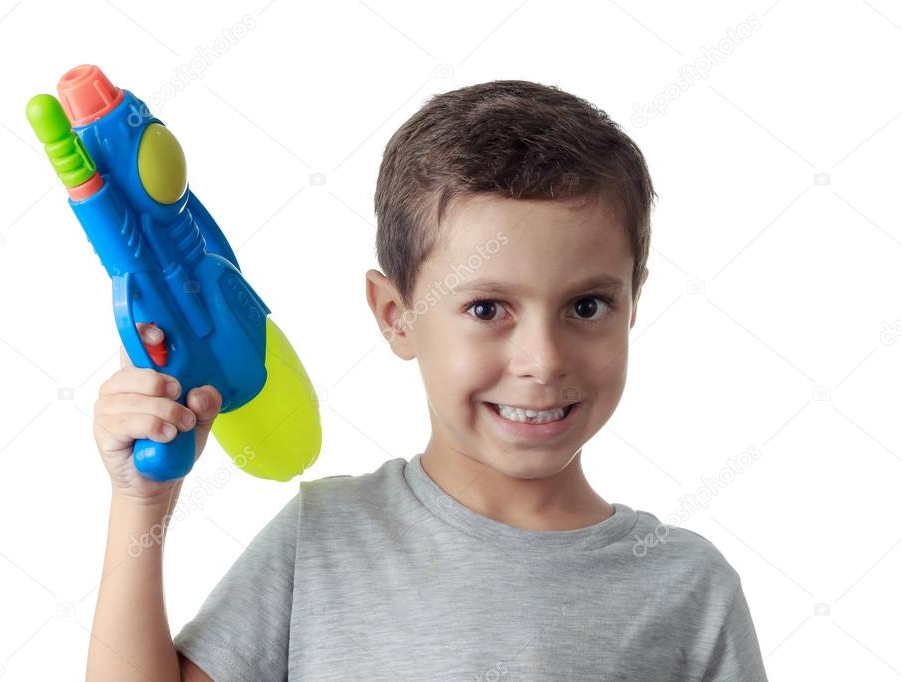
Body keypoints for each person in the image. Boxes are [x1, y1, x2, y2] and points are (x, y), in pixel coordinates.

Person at [85, 80, 768, 681]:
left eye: (585, 306)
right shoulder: (323, 541)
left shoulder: (686, 587)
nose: (543, 360)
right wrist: (140, 505)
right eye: (486, 309)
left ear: (632, 303)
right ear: (396, 316)